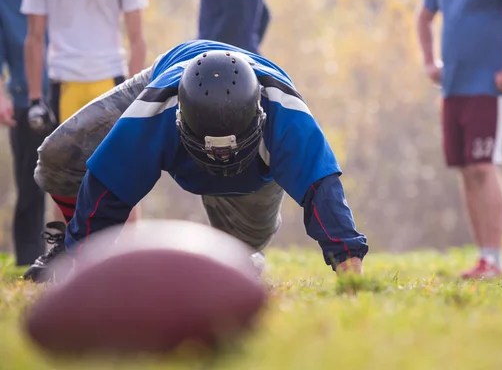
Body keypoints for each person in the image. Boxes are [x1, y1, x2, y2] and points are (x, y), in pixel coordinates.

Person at [23, 39, 368, 282]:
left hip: (253, 180)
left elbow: (324, 191)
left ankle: (244, 258)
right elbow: (106, 184)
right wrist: (81, 266)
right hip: (170, 71)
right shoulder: (157, 111)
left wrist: (351, 276)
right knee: (58, 157)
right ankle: (63, 247)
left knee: (238, 257)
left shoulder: (286, 117)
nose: (219, 160)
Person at [19, 0, 149, 277]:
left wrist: (136, 92)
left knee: (122, 173)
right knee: (61, 175)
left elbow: (137, 38)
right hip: (63, 83)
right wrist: (36, 97)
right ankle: (66, 264)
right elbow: (34, 37)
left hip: (111, 81)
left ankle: (129, 261)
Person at [417, 0, 502, 278]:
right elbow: (424, 17)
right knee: (467, 170)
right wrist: (430, 62)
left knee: (484, 166)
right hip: (454, 89)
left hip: (491, 88)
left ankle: (495, 260)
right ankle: (484, 257)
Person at [0, 0, 49, 266]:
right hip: (21, 94)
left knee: (76, 179)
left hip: (66, 86)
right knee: (30, 183)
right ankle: (28, 261)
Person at [198, 0, 270, 54]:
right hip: (237, 55)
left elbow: (236, 11)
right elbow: (264, 14)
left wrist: (211, 50)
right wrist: (248, 47)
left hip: (222, 56)